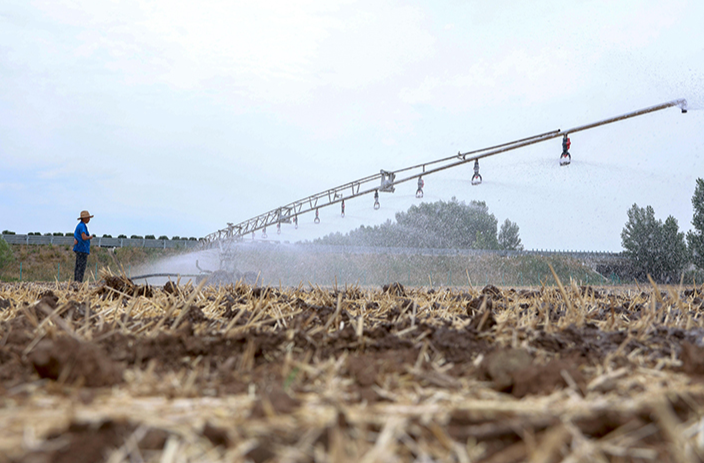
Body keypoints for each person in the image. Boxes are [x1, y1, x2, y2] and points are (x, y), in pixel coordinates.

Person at [73, 210, 95, 283]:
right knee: (81, 267)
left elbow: (76, 237)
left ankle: (76, 281)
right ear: (84, 218)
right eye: (88, 218)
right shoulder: (82, 226)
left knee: (78, 267)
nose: (89, 219)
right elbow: (83, 237)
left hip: (79, 249)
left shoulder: (79, 226)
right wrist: (90, 237)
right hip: (82, 249)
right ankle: (78, 282)